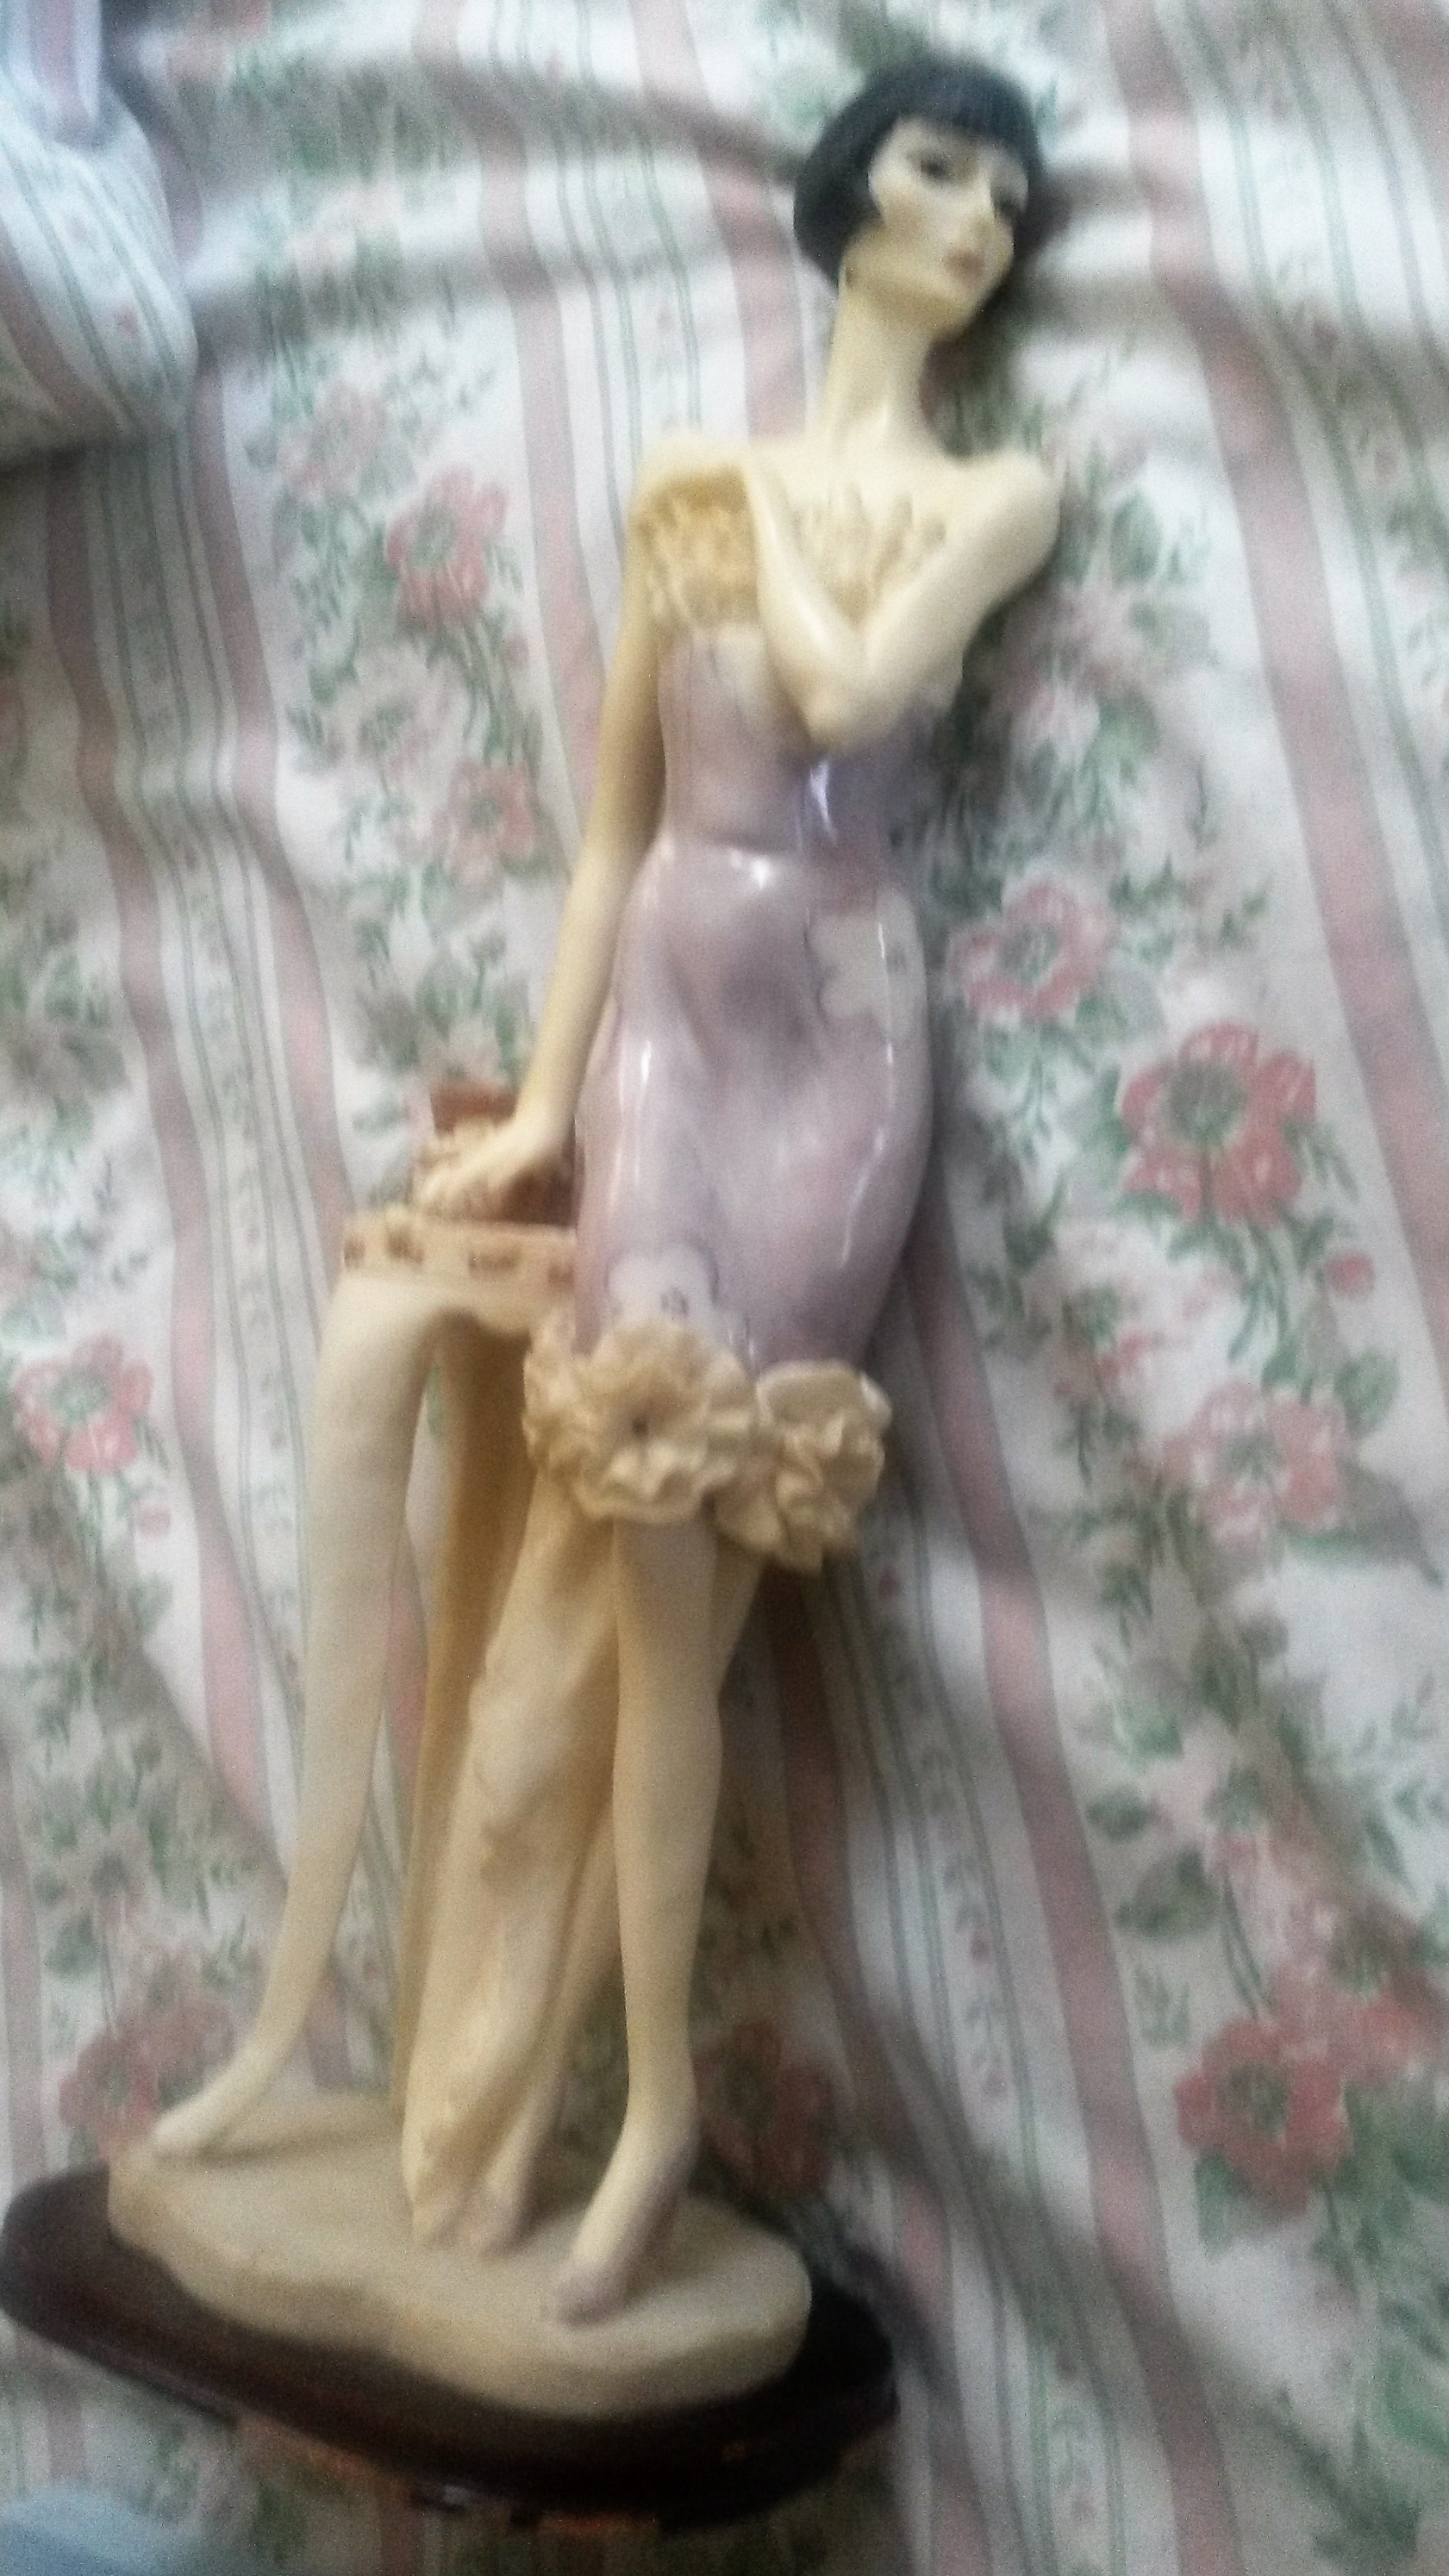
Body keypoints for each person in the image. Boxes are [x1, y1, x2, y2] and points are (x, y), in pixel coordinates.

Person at [156, 53, 1059, 2330]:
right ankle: (617, 2088)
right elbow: (608, 835)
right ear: (852, 191)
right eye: (936, 166)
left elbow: (845, 692)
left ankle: (645, 2108)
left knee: (699, 1596)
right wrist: (546, 1103)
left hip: (840, 1041)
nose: (972, 216)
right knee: (631, 1542)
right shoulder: (683, 491)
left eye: (1006, 195)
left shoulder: (993, 495)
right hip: (670, 1025)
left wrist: (752, 525)